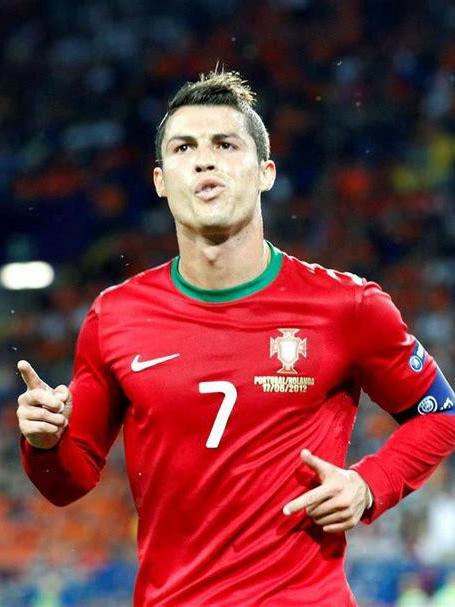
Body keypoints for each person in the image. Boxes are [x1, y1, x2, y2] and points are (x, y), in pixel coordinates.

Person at [17, 70, 455, 607]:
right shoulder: (115, 317)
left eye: (225, 144)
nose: (205, 161)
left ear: (266, 172)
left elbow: (441, 413)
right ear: (160, 180)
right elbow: (69, 482)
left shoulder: (348, 307)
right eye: (184, 148)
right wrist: (44, 443)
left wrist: (370, 484)